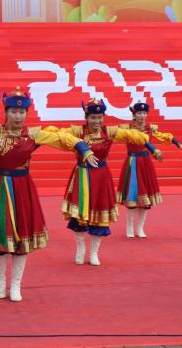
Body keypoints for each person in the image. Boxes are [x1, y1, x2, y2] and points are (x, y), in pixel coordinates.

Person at [0, 87, 98, 301]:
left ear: (26, 113)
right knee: (0, 235)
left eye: (22, 112)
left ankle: (16, 285)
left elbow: (61, 138)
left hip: (22, 188)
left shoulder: (34, 134)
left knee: (22, 237)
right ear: (6, 112)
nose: (18, 116)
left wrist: (83, 148)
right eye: (13, 111)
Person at [46, 98, 150, 266]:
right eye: (93, 117)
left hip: (101, 177)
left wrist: (145, 140)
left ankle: (94, 252)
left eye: (100, 117)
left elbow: (132, 135)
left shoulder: (109, 132)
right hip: (82, 174)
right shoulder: (77, 131)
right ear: (86, 118)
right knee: (79, 214)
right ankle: (80, 247)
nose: (97, 121)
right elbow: (58, 135)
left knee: (100, 215)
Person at [117, 101, 182, 238]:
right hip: (132, 163)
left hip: (146, 163)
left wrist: (174, 141)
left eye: (144, 113)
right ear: (134, 114)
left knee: (146, 199)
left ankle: (140, 227)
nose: (142, 116)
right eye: (139, 113)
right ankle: (129, 226)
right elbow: (112, 135)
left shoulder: (150, 128)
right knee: (132, 197)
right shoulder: (126, 128)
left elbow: (162, 136)